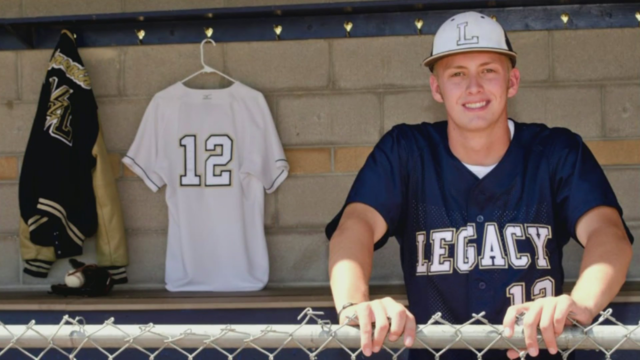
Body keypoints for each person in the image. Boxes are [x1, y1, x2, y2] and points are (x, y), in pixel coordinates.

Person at [325, 11, 633, 360]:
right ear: (436, 87)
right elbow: (355, 226)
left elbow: (609, 234)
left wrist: (579, 304)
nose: (474, 87)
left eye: (488, 71)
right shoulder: (407, 151)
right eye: (457, 74)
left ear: (512, 81)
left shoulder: (556, 152)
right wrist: (354, 305)